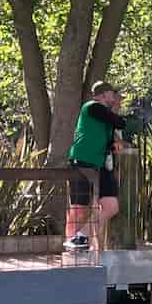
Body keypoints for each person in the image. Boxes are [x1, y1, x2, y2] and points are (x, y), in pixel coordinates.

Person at [63, 81, 136, 251]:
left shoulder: (106, 118)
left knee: (111, 207)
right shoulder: (92, 107)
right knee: (79, 209)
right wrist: (117, 114)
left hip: (100, 165)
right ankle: (71, 248)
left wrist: (115, 145)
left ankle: (80, 237)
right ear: (103, 95)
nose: (115, 98)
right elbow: (120, 122)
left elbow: (107, 137)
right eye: (112, 95)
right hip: (82, 161)